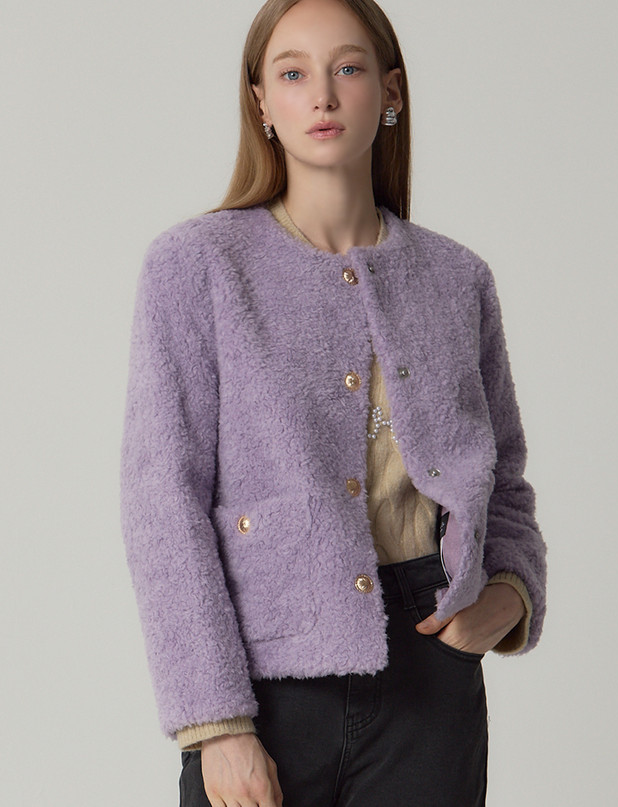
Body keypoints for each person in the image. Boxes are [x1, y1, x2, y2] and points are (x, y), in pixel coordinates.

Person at [120, 0, 548, 804]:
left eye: (347, 68)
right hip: (266, 683)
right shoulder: (197, 267)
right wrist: (216, 722)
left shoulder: (458, 279)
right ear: (261, 102)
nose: (321, 94)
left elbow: (506, 475)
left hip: (431, 673)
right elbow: (162, 503)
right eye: (293, 74)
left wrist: (509, 591)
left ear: (390, 91)